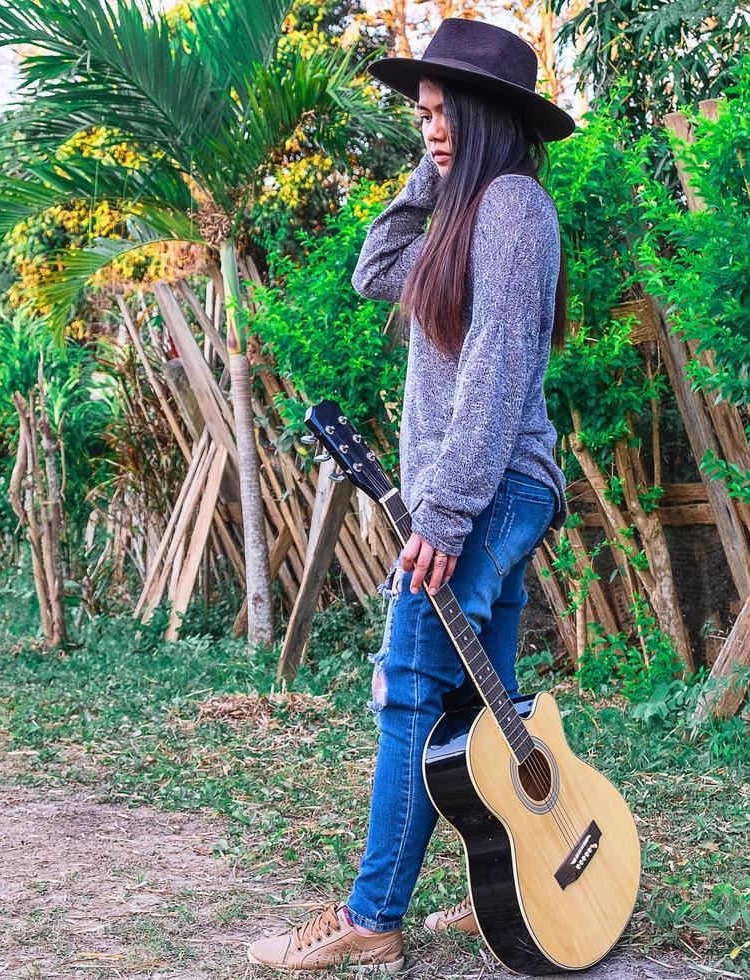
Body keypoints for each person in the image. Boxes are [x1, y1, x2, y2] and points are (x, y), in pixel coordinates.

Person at [247, 16, 575, 973]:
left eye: (443, 114)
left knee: (408, 687)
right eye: (422, 116)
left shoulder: (515, 209)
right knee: (488, 706)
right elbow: (370, 272)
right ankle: (514, 883)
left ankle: (372, 914)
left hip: (484, 489)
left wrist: (439, 513)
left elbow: (497, 370)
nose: (427, 129)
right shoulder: (472, 212)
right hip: (493, 490)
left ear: (487, 115)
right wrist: (433, 177)